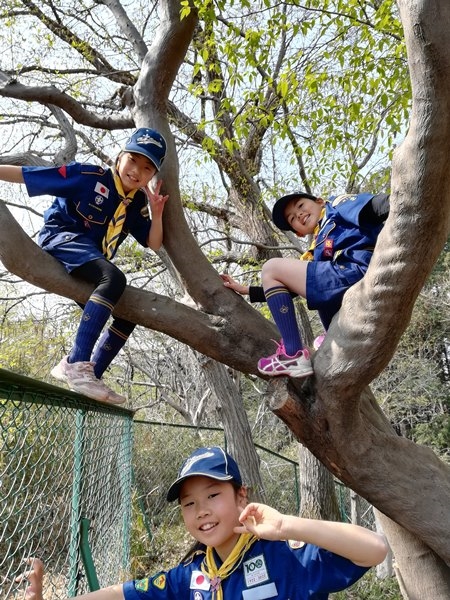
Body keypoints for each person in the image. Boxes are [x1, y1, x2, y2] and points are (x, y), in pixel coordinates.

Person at [19, 446, 388, 600]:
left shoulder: (287, 557)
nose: (201, 511)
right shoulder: (193, 575)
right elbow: (124, 594)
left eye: (213, 496)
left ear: (241, 496)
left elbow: (374, 549)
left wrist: (287, 526)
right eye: (189, 503)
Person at [0, 128, 169, 404]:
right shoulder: (89, 176)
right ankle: (76, 363)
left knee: (129, 314)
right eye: (133, 160)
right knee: (114, 278)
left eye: (147, 168)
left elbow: (154, 243)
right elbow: (30, 175)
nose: (137, 171)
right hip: (61, 239)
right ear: (119, 158)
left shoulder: (136, 202)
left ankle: (91, 376)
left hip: (90, 260)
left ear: (152, 175)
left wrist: (157, 212)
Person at [222, 191, 389, 378]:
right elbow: (291, 287)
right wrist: (247, 290)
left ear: (319, 201)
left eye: (300, 206)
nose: (299, 214)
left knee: (271, 267)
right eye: (292, 218)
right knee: (285, 274)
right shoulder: (315, 250)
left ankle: (292, 354)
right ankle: (332, 335)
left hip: (358, 271)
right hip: (345, 296)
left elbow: (376, 207)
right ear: (299, 233)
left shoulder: (336, 207)